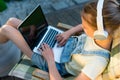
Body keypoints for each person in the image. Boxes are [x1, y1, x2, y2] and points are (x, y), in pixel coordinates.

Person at [31, 0, 120, 80]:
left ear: (99, 33)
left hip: (56, 65)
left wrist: (50, 59)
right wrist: (68, 32)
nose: (82, 27)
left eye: (85, 27)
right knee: (29, 29)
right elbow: (83, 26)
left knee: (20, 35)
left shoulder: (97, 63)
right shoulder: (102, 34)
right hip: (64, 45)